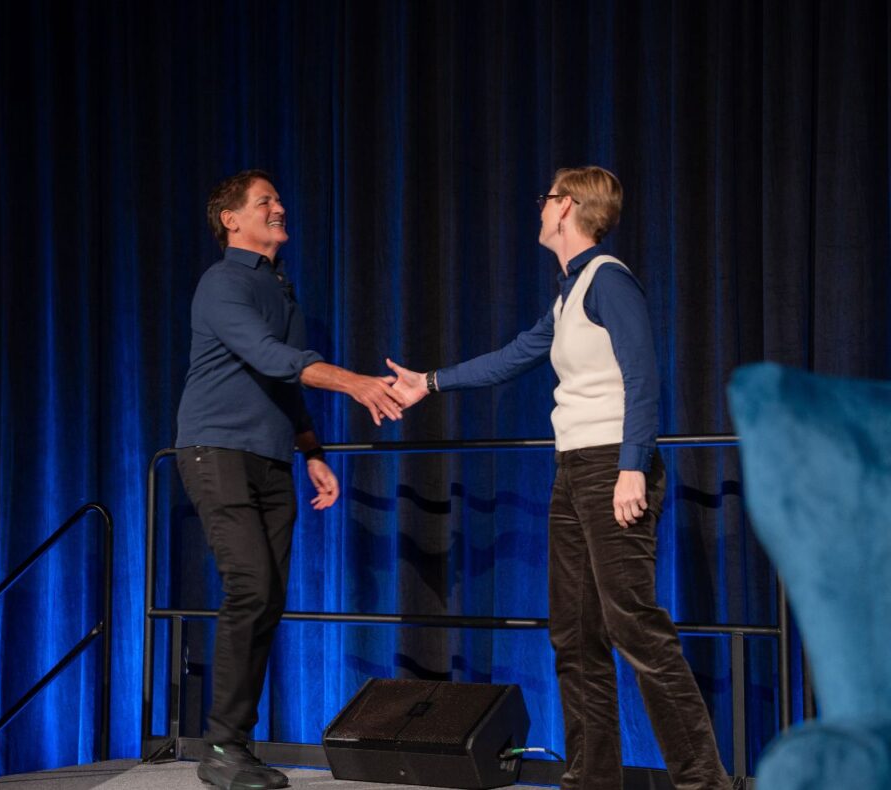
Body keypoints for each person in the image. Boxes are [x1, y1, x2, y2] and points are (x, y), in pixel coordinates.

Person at [387, 166, 728, 790]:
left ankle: (703, 780)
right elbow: (516, 355)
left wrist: (632, 466)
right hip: (573, 468)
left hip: (610, 466)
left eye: (546, 198)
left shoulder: (608, 279)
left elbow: (642, 377)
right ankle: (591, 777)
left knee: (635, 626)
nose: (539, 208)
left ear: (566, 206)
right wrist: (429, 383)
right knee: (573, 634)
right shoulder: (568, 292)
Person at [176, 169, 406, 790]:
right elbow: (273, 358)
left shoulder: (282, 290)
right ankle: (221, 749)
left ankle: (236, 744)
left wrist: (312, 452)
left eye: (278, 198)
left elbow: (283, 384)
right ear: (231, 220)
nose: (279, 207)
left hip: (273, 457)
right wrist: (356, 382)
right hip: (214, 449)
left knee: (270, 595)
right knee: (250, 584)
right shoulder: (222, 282)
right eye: (264, 201)